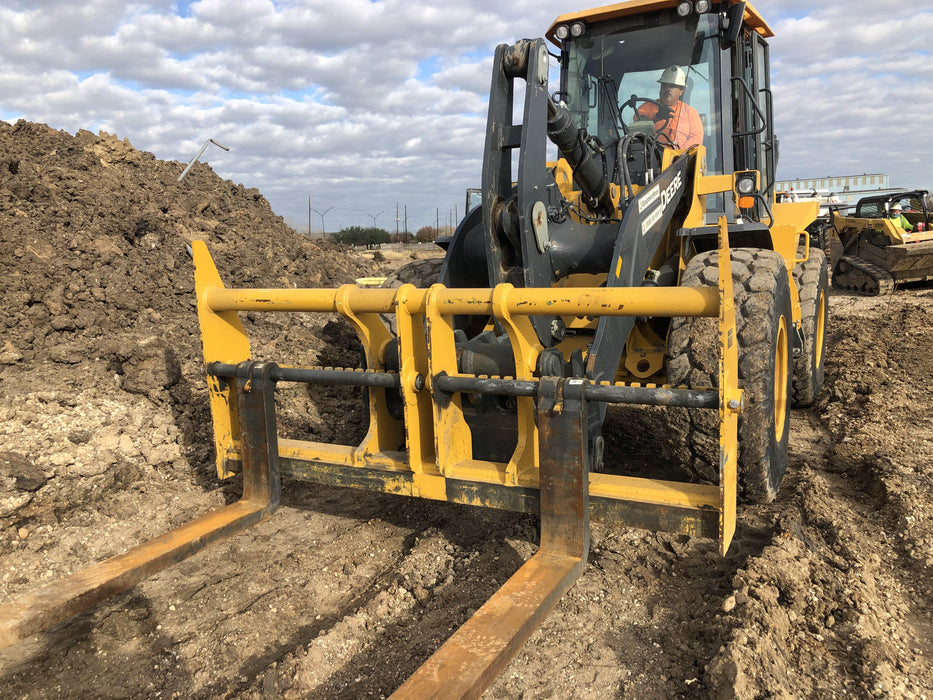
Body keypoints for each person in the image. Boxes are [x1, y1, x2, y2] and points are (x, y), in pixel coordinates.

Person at [637, 66, 704, 149]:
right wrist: (656, 118)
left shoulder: (690, 113)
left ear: (681, 90)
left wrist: (679, 154)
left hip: (680, 158)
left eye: (672, 86)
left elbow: (696, 139)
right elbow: (638, 125)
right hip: (651, 156)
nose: (668, 89)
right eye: (665, 86)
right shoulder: (647, 107)